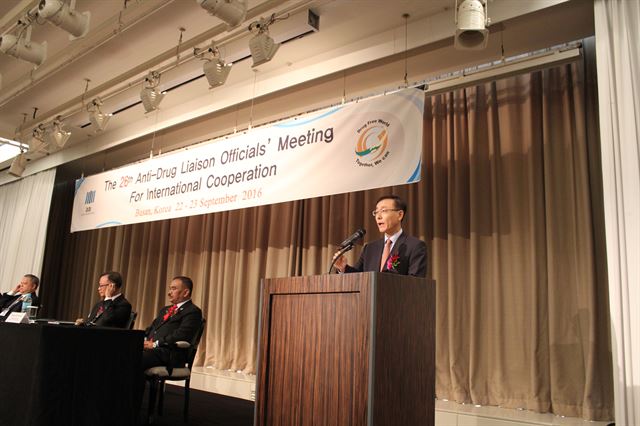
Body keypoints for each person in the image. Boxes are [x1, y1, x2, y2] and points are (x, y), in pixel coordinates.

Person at [333, 195, 427, 277]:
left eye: (383, 210)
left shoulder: (415, 246)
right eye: (376, 212)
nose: (378, 216)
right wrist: (343, 268)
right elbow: (358, 277)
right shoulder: (369, 248)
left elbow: (415, 283)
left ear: (400, 215)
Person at [142, 276, 203, 370]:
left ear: (186, 292)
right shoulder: (165, 310)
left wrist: (155, 344)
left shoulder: (193, 311)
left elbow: (181, 335)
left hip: (170, 353)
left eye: (173, 289)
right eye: (170, 288)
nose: (169, 293)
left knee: (135, 357)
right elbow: (151, 328)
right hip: (153, 351)